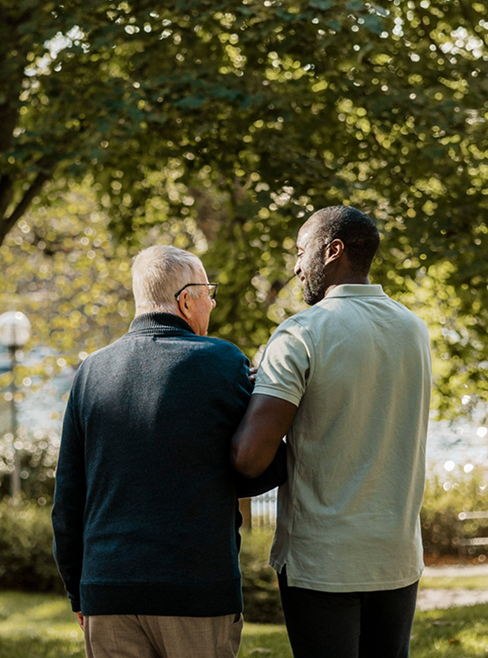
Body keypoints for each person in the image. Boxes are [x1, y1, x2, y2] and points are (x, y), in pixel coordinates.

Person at [52, 245, 284, 658]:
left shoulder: (90, 372)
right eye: (208, 292)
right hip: (196, 591)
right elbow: (259, 471)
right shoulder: (222, 362)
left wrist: (80, 592)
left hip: (107, 592)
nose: (212, 302)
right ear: (186, 299)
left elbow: (67, 500)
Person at [231, 206, 431, 658]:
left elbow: (249, 457)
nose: (296, 266)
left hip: (323, 562)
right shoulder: (413, 328)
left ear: (332, 251)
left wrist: (254, 396)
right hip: (396, 554)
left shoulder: (300, 333)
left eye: (302, 253)